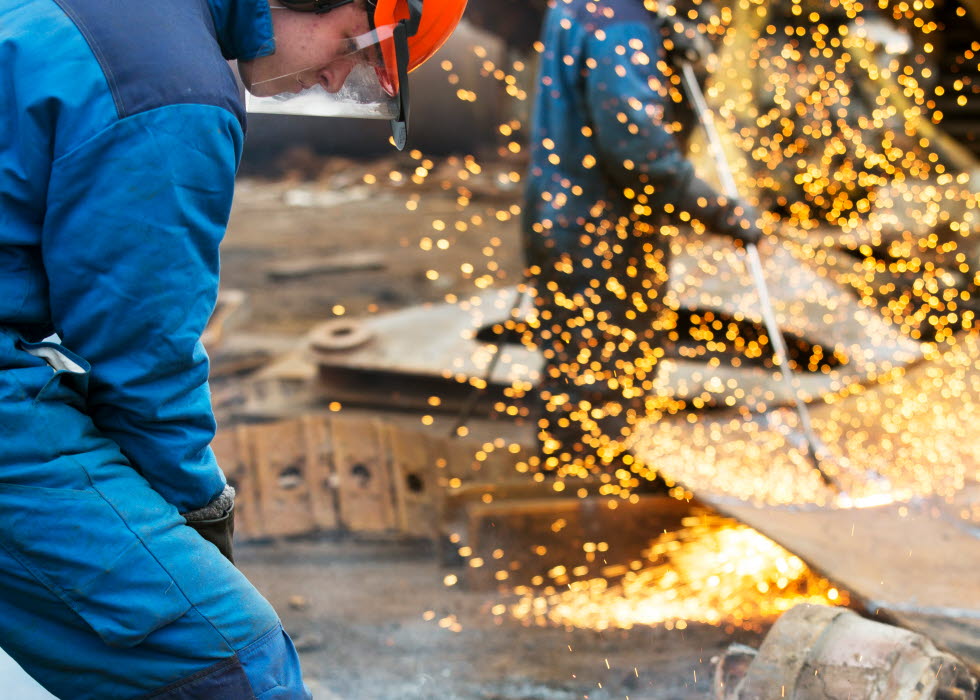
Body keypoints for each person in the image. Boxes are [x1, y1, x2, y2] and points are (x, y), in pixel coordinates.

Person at [0, 0, 463, 697]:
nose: (338, 81)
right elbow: (141, 361)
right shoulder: (171, 88)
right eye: (351, 47)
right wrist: (199, 512)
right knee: (234, 666)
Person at [521, 0, 761, 482]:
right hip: (602, 232)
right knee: (606, 378)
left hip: (559, 213)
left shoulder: (586, 6)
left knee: (573, 370)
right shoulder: (620, 22)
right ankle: (594, 511)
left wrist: (669, 46)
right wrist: (718, 210)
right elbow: (635, 148)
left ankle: (573, 493)